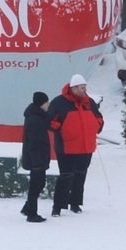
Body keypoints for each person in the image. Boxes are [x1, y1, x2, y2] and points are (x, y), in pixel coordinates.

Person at [47, 74, 104, 217]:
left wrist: (97, 126)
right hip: (67, 148)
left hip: (86, 147)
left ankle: (75, 203)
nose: (84, 91)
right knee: (65, 177)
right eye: (81, 88)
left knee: (80, 176)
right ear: (73, 88)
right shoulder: (59, 102)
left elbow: (99, 117)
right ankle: (58, 207)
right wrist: (62, 128)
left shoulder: (89, 102)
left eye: (85, 88)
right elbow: (49, 121)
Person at [20, 92, 50, 223]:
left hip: (38, 157)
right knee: (35, 185)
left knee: (39, 183)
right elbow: (33, 143)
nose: (48, 104)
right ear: (41, 103)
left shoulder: (38, 116)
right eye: (46, 102)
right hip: (36, 159)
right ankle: (31, 213)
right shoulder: (35, 119)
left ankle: (28, 208)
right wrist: (36, 162)